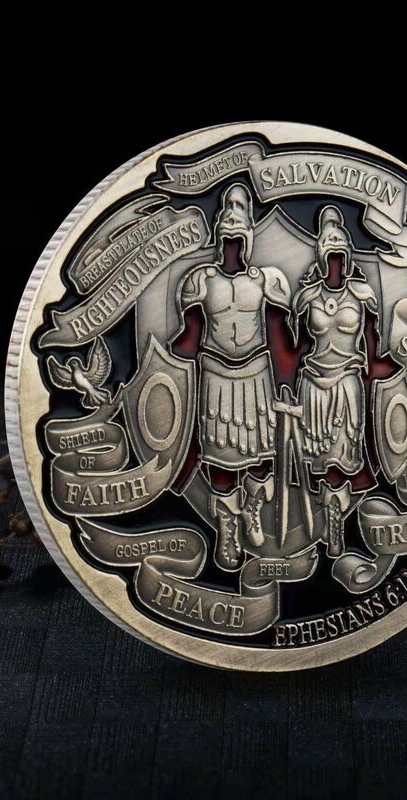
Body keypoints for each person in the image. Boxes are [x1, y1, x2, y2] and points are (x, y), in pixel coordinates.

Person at [176, 184, 291, 569]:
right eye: (227, 210)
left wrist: (289, 379)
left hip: (257, 374)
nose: (232, 220)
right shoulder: (200, 280)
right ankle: (227, 526)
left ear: (250, 233)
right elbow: (188, 338)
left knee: (260, 457)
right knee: (222, 460)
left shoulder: (267, 279)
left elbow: (279, 336)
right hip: (216, 376)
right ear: (217, 232)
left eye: (241, 211)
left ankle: (252, 510)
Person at [293, 206, 378, 556]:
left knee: (343, 456)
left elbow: (374, 343)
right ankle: (318, 520)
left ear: (348, 256)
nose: (335, 262)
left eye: (340, 255)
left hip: (348, 381)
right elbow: (293, 347)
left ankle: (336, 519)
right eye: (330, 254)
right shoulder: (306, 298)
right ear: (320, 255)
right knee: (316, 459)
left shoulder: (363, 295)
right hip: (313, 383)